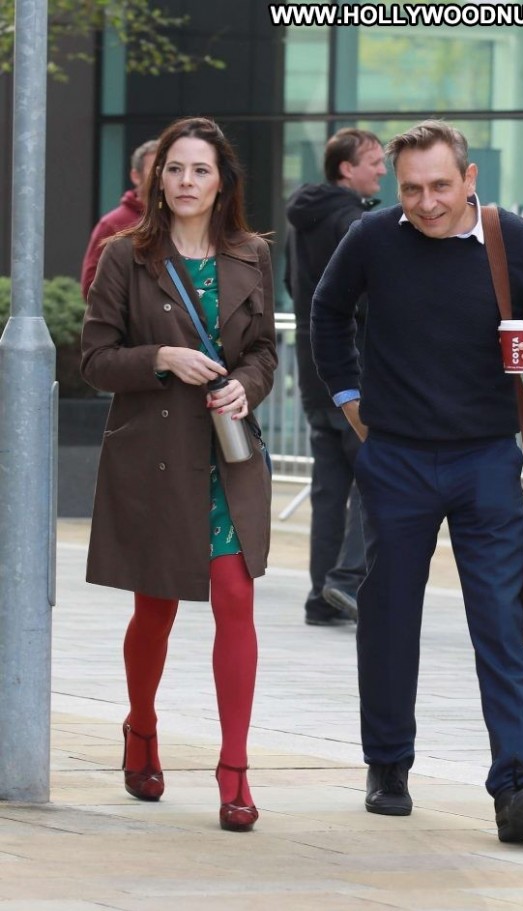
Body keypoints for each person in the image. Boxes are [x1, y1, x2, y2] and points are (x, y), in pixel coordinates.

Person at [310, 119, 523, 843]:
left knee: (499, 622)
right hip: (396, 460)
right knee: (389, 616)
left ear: (469, 179)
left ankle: (518, 786)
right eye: (410, 189)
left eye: (440, 185)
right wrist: (348, 398)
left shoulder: (506, 238)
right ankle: (388, 765)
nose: (426, 202)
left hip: (486, 460)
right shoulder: (372, 237)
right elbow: (327, 312)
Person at [80, 116, 277, 832]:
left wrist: (245, 387)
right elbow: (95, 360)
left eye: (201, 170)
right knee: (156, 607)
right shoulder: (124, 256)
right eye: (175, 168)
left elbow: (263, 352)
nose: (187, 181)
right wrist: (161, 358)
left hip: (226, 453)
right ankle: (141, 726)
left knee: (236, 595)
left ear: (222, 181)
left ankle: (235, 771)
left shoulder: (252, 254)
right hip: (156, 459)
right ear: (155, 179)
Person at [285, 128, 386, 626]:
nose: (383, 170)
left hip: (313, 367)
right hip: (354, 367)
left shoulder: (301, 221)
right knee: (376, 474)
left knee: (329, 488)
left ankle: (321, 598)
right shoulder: (354, 223)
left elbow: (292, 284)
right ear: (346, 168)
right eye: (374, 161)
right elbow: (368, 296)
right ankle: (346, 579)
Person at [80, 138, 158, 299]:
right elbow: (90, 286)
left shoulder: (182, 220)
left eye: (169, 169)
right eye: (155, 170)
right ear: (136, 176)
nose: (162, 176)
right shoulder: (112, 224)